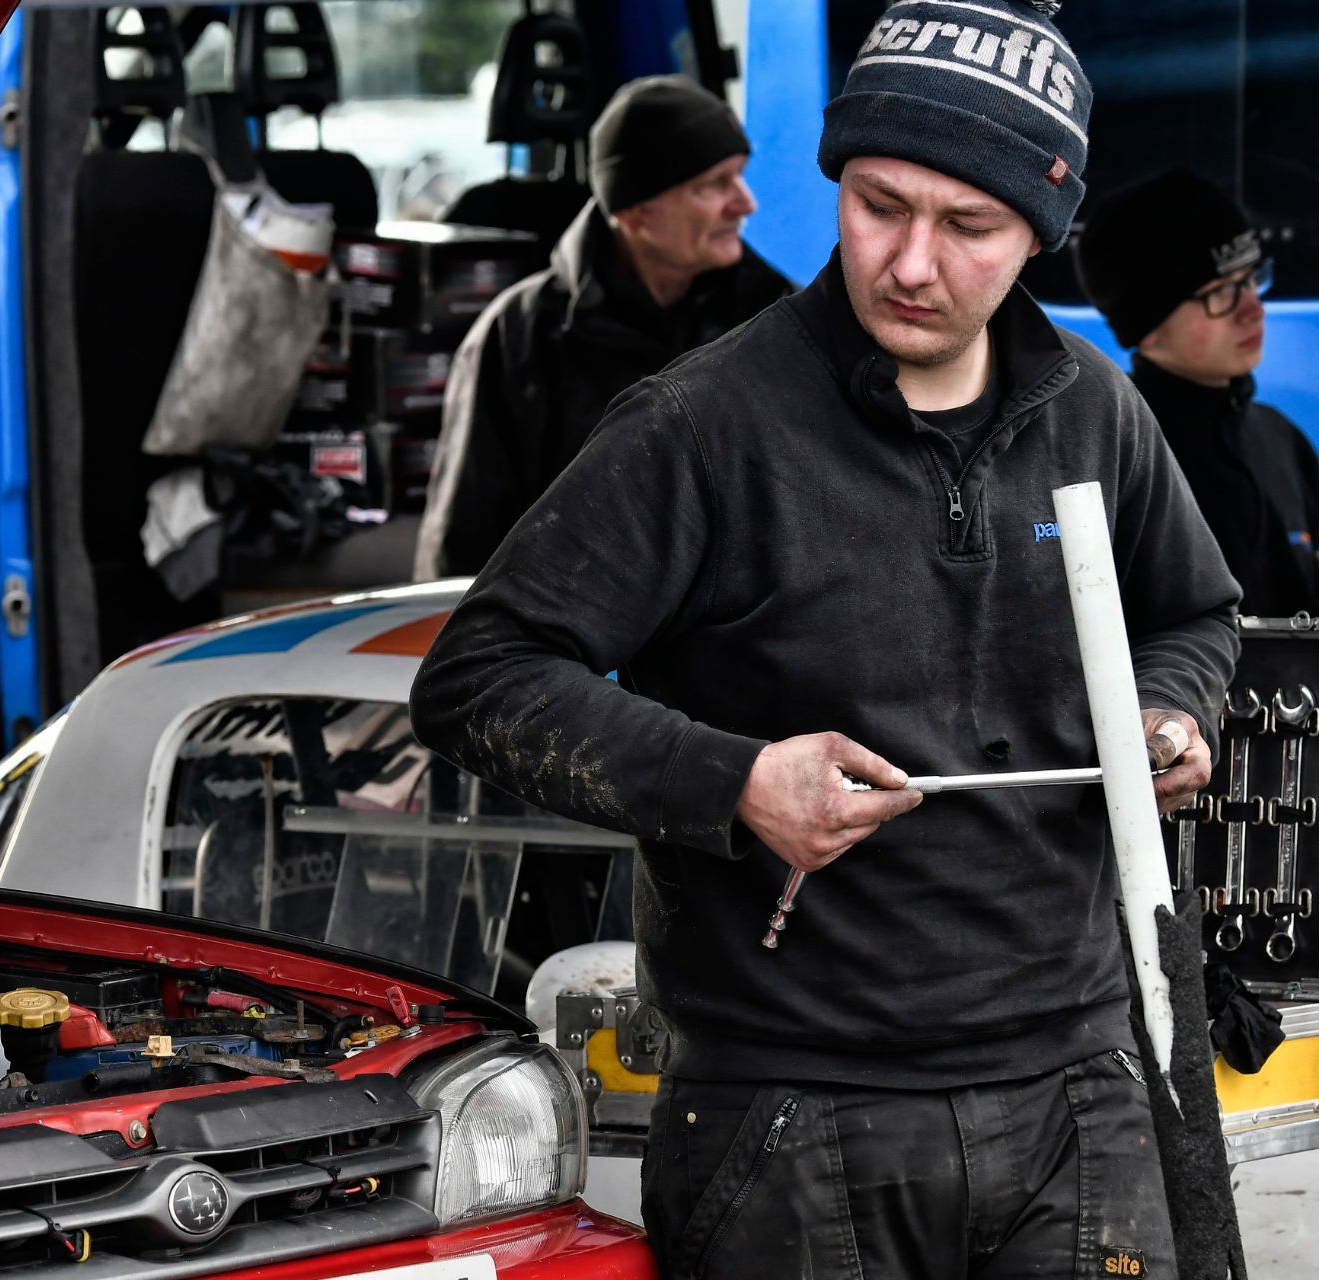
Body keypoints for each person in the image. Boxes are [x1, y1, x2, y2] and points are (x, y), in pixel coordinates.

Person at [409, 2, 1241, 1274]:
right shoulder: (701, 427)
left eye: (969, 227)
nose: (911, 263)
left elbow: (1194, 609)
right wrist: (732, 780)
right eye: (876, 204)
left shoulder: (1096, 412)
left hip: (1083, 1089)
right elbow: (478, 679)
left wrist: (1171, 712)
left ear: (1039, 235)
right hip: (791, 1115)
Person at [412, 74, 793, 580]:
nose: (745, 203)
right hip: (572, 642)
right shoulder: (517, 338)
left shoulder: (777, 318)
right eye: (713, 185)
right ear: (635, 212)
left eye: (740, 176)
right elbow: (465, 542)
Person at [1078, 167, 1319, 615]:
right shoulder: (1114, 453)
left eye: (1251, 280)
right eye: (1221, 292)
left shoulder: (1280, 438)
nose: (1253, 309)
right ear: (1146, 326)